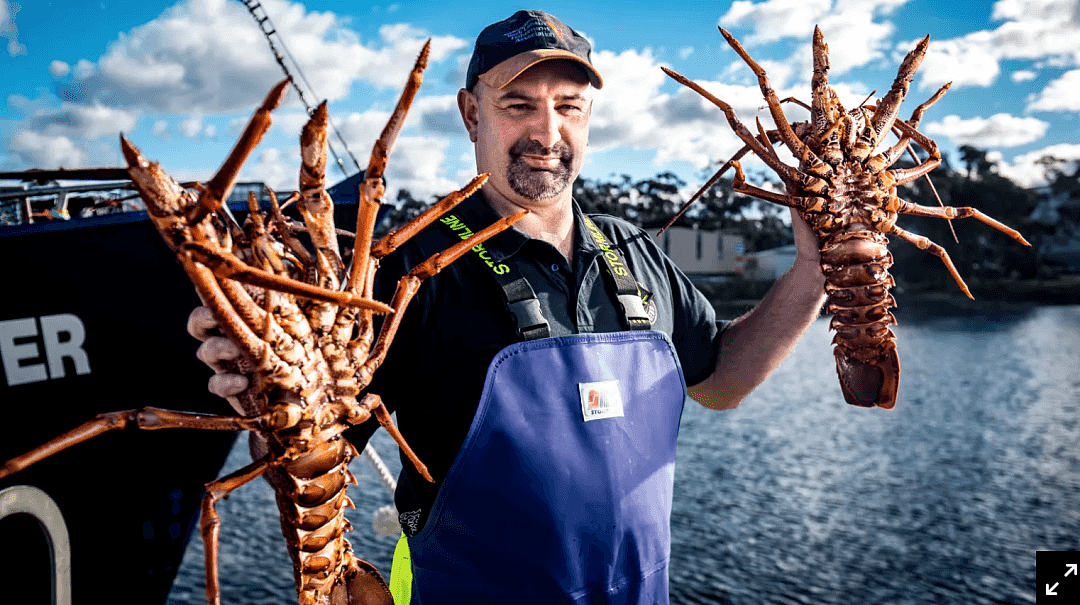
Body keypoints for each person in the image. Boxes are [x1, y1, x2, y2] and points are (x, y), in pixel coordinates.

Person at [191, 10, 827, 604]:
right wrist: (257, 385)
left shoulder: (634, 250)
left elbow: (721, 383)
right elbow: (302, 461)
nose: (546, 132)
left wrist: (812, 269)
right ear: (471, 115)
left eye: (568, 108)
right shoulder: (403, 270)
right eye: (517, 105)